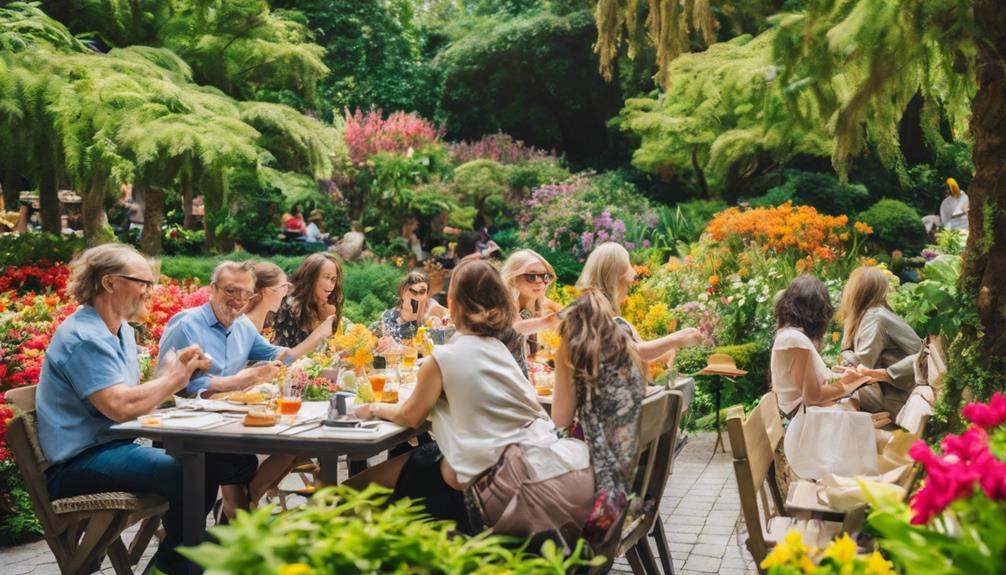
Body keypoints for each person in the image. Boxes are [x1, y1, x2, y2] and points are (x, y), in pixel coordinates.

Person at [37, 244, 257, 575]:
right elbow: (121, 407)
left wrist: (175, 373)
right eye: (143, 282)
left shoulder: (120, 330)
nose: (149, 291)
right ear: (109, 282)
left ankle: (178, 560)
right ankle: (183, 562)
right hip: (76, 463)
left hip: (112, 448)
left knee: (214, 463)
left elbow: (134, 396)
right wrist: (175, 378)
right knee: (189, 473)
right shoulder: (85, 337)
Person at [348, 260, 593, 538]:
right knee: (423, 461)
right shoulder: (498, 348)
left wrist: (370, 408)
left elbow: (410, 417)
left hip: (494, 487)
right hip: (547, 467)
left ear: (451, 305)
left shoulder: (442, 359)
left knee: (351, 492)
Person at [551, 288, 648, 544]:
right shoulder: (627, 347)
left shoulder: (571, 351)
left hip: (604, 504)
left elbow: (559, 421)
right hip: (632, 486)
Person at [772, 275, 881, 479]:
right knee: (873, 430)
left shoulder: (791, 336)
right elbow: (812, 397)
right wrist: (847, 386)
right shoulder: (795, 340)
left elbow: (811, 387)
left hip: (811, 423)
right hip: (806, 433)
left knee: (865, 418)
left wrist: (846, 380)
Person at [157, 261, 292, 396]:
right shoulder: (186, 325)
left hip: (229, 413)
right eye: (231, 291)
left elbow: (276, 354)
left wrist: (307, 357)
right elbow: (168, 386)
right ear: (213, 289)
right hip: (182, 414)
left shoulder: (243, 325)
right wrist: (239, 381)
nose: (240, 299)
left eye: (247, 293)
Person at [576, 242, 703, 362]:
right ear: (614, 276)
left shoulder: (601, 306)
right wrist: (675, 339)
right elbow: (637, 351)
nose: (631, 280)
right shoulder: (594, 306)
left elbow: (639, 346)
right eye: (625, 269)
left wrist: (677, 341)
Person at [839, 266, 922, 417]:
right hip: (896, 390)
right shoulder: (869, 314)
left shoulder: (875, 318)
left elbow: (863, 365)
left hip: (896, 396)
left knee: (831, 400)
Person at [271, 252, 344, 349]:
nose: (331, 284)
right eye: (326, 277)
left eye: (333, 279)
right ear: (311, 277)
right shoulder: (290, 306)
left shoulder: (327, 305)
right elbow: (284, 353)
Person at [500, 249, 562, 361]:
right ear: (514, 278)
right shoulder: (508, 300)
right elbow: (515, 328)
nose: (539, 282)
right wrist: (548, 321)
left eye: (545, 276)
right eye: (531, 276)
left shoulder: (542, 301)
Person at [380, 271, 448, 342]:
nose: (417, 296)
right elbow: (387, 345)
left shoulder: (431, 311)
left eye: (422, 292)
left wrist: (437, 326)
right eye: (413, 291)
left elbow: (440, 340)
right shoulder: (389, 317)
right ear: (402, 292)